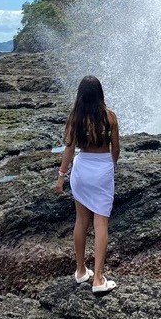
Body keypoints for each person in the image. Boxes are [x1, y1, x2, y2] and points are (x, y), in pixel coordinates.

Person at [55, 75, 120, 294]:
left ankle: (81, 271)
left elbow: (69, 149)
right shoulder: (109, 117)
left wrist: (61, 176)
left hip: (81, 171)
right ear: (100, 93)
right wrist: (109, 167)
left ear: (80, 95)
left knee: (81, 221)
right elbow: (116, 149)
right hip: (102, 170)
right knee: (101, 223)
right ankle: (99, 278)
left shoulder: (76, 117)